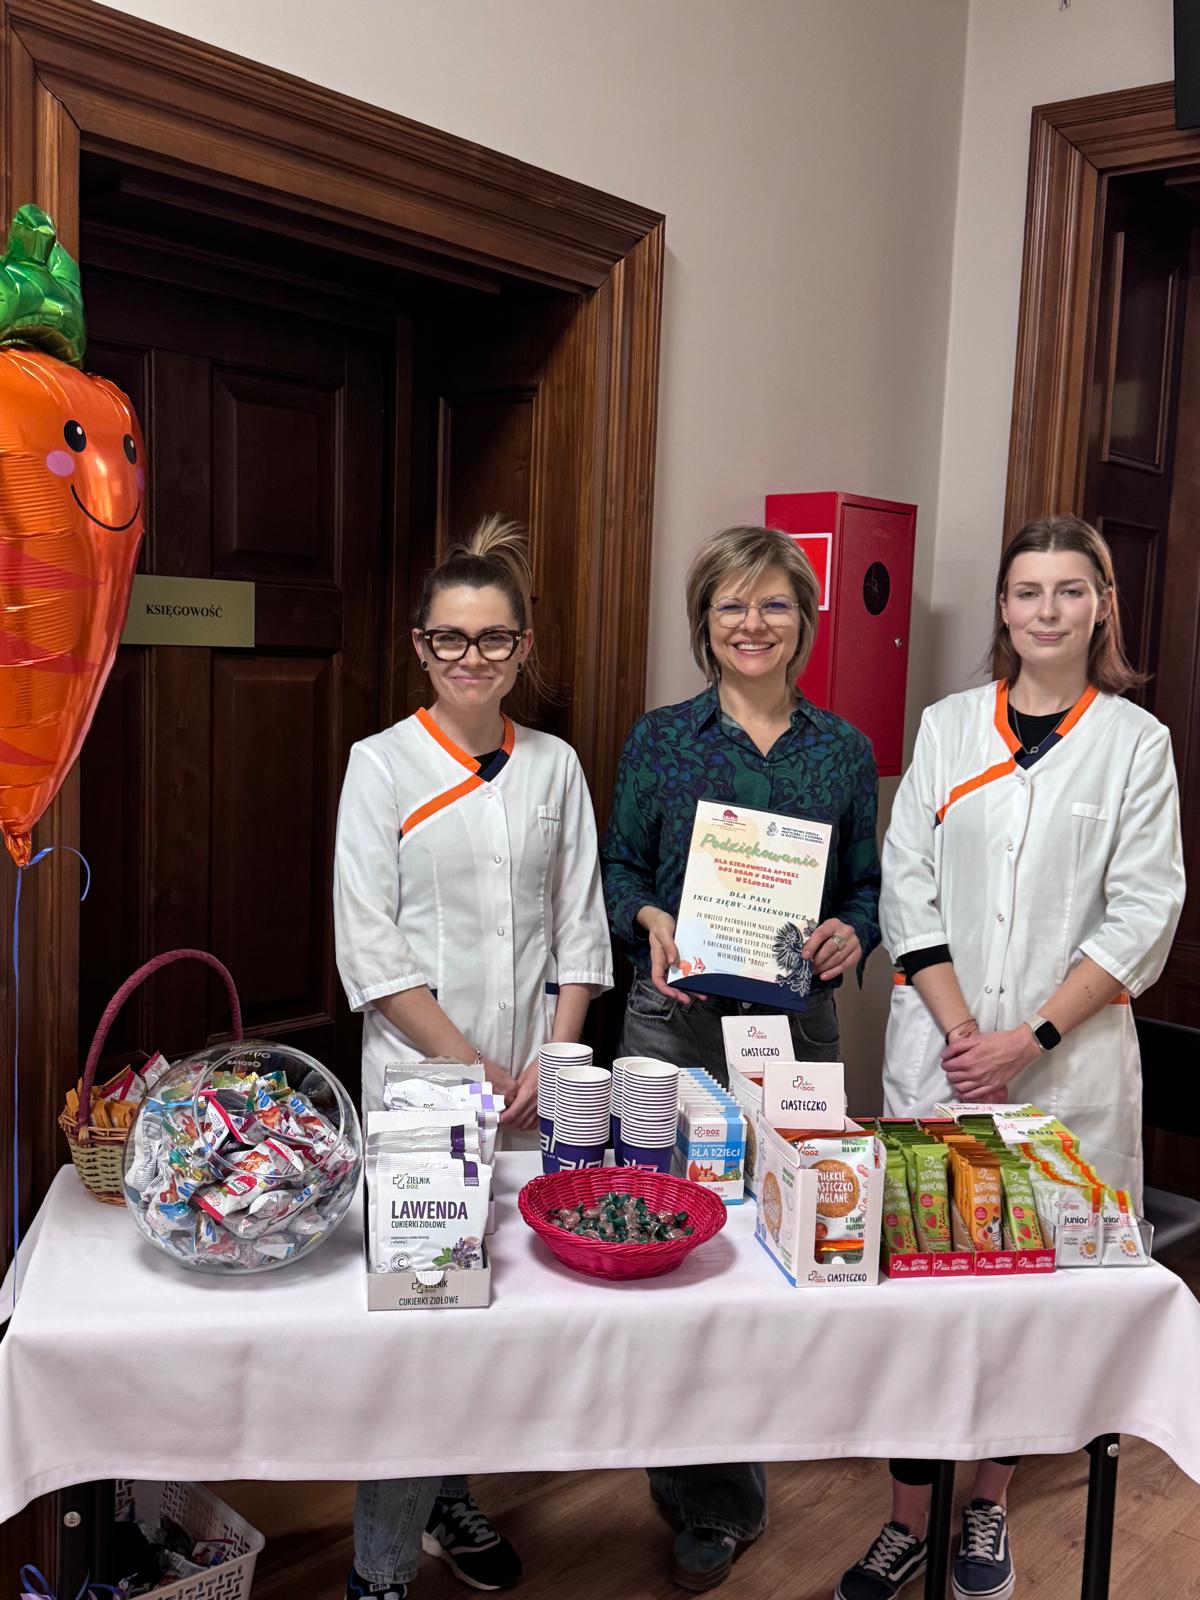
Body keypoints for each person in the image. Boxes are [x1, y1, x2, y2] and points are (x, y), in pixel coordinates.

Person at [836, 515, 1185, 1600]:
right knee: (923, 1297)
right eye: (1028, 590)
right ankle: (906, 1520)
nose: (1047, 610)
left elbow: (1144, 913)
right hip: (941, 1058)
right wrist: (961, 1037)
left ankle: (986, 1504)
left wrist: (1027, 1041)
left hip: (1064, 1071)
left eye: (1071, 590)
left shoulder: (1136, 744)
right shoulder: (948, 729)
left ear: (1102, 606)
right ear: (1003, 606)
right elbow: (909, 885)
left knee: (1035, 1298)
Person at [334, 516, 613, 1600]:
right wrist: (472, 1068)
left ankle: (451, 1493)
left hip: (537, 1092)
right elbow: (372, 949)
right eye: (450, 638)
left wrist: (555, 1054)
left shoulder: (555, 767)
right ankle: (378, 1570)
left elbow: (579, 927)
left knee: (495, 1317)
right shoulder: (381, 766)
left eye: (494, 639)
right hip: (423, 1096)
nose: (472, 658)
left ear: (523, 647)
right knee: (421, 1324)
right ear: (420, 646)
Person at [602, 524, 881, 1592]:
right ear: (704, 622)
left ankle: (726, 1477)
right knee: (671, 1245)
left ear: (805, 621)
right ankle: (700, 1481)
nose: (752, 624)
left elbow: (865, 887)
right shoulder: (660, 740)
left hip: (794, 1029)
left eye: (773, 604)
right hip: (674, 1020)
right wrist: (648, 917)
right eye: (731, 604)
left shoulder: (842, 751)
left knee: (775, 1245)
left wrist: (853, 931)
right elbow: (621, 867)